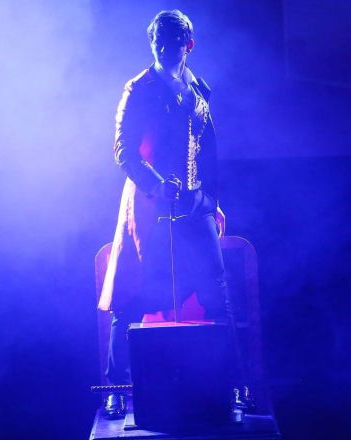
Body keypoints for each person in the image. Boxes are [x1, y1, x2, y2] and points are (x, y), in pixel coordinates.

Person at [98, 9, 230, 419]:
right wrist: (156, 185)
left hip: (195, 203)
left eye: (172, 42)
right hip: (148, 204)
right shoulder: (138, 89)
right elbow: (123, 150)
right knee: (131, 296)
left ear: (188, 45)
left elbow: (207, 149)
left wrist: (212, 199)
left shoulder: (199, 86)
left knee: (217, 292)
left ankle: (232, 383)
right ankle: (116, 388)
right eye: (158, 41)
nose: (164, 48)